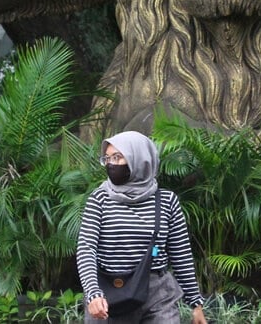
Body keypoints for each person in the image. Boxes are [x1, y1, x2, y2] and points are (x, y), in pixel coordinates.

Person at [77, 131, 207, 323]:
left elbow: (181, 254)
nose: (111, 164)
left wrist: (195, 304)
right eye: (108, 158)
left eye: (118, 157)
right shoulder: (100, 199)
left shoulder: (166, 201)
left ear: (139, 158)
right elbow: (86, 249)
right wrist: (93, 293)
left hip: (158, 294)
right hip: (108, 295)